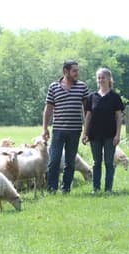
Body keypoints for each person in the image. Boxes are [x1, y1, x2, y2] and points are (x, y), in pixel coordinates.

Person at [42, 60, 89, 194]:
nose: (77, 73)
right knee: (54, 160)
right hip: (58, 130)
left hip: (75, 131)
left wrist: (86, 131)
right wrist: (44, 128)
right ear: (65, 71)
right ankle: (51, 188)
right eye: (74, 71)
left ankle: (66, 189)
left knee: (70, 161)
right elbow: (48, 109)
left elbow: (87, 110)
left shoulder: (82, 87)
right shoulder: (53, 87)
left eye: (77, 70)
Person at [82, 67, 124, 193]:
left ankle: (108, 189)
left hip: (110, 135)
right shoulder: (92, 97)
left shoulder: (115, 97)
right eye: (99, 78)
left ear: (109, 79)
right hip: (94, 135)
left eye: (103, 77)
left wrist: (117, 135)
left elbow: (118, 117)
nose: (101, 80)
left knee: (109, 162)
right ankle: (96, 188)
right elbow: (88, 116)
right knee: (96, 162)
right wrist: (85, 133)